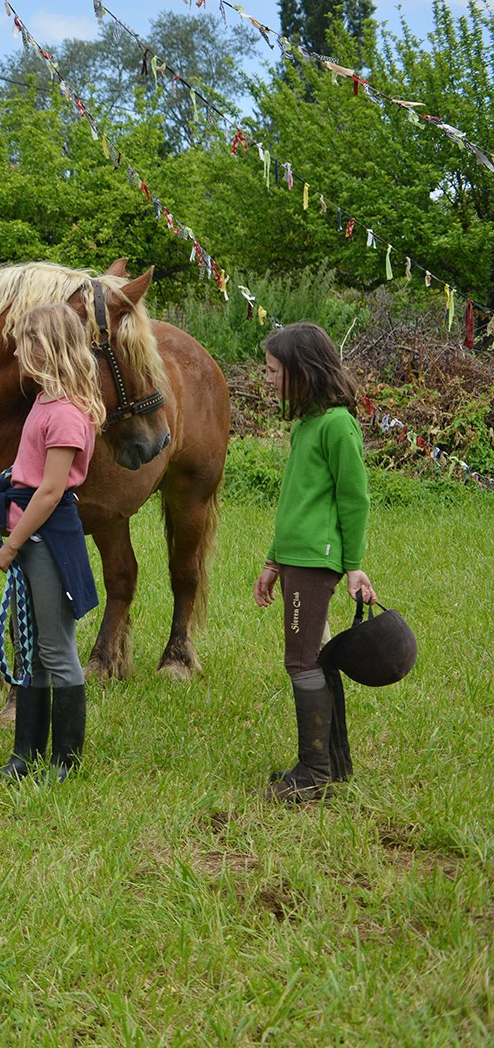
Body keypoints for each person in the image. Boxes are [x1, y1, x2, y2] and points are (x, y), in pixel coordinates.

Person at [0, 303, 103, 782]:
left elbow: (50, 492)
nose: (20, 352)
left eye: (27, 342)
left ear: (48, 347)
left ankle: (64, 761)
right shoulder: (44, 403)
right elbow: (35, 475)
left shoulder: (67, 413)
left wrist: (10, 547)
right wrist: (8, 478)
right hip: (31, 534)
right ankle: (25, 754)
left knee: (55, 649)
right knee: (31, 649)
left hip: (46, 537)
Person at [253, 322, 375, 803]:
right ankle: (334, 763)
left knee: (302, 661)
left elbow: (355, 499)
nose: (267, 380)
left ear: (301, 372)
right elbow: (295, 504)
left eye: (273, 371)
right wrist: (272, 561)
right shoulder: (307, 424)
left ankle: (314, 772)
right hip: (295, 559)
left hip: (316, 563)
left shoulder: (337, 425)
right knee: (319, 661)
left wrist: (353, 565)